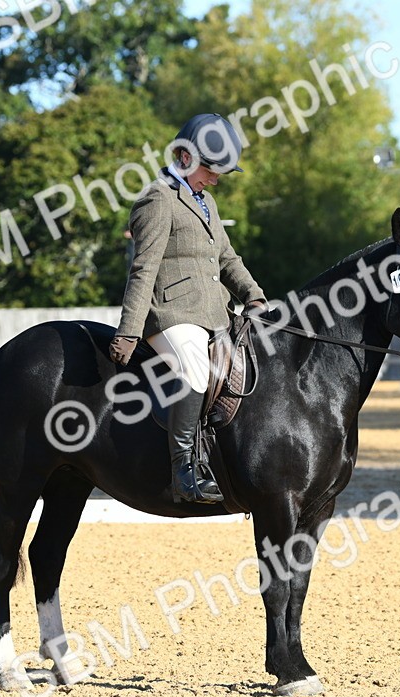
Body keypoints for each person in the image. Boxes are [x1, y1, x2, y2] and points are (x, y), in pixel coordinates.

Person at [109, 113, 267, 504]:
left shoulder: (206, 201)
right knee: (195, 368)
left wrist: (254, 296)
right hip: (171, 314)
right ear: (184, 157)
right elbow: (143, 268)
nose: (215, 180)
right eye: (210, 170)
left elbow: (227, 258)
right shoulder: (157, 199)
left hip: (214, 313)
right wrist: (129, 330)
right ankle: (184, 470)